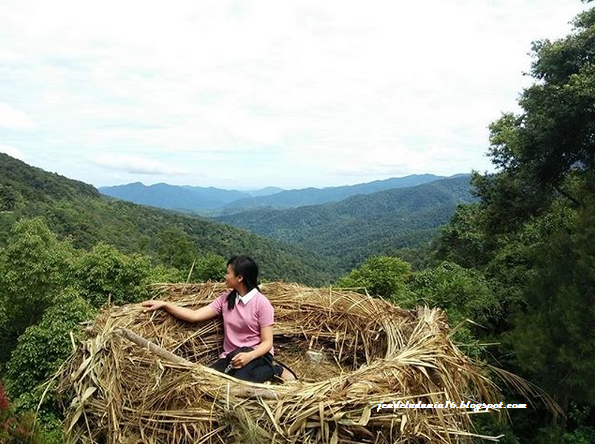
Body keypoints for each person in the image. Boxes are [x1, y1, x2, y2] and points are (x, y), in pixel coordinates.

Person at [141, 255, 295, 382]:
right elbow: (195, 316)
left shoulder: (262, 304)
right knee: (209, 380)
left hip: (256, 354)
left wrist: (249, 356)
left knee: (241, 382)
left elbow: (267, 342)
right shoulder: (225, 300)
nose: (225, 276)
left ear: (239, 277)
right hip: (230, 356)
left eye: (228, 273)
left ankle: (275, 370)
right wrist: (165, 304)